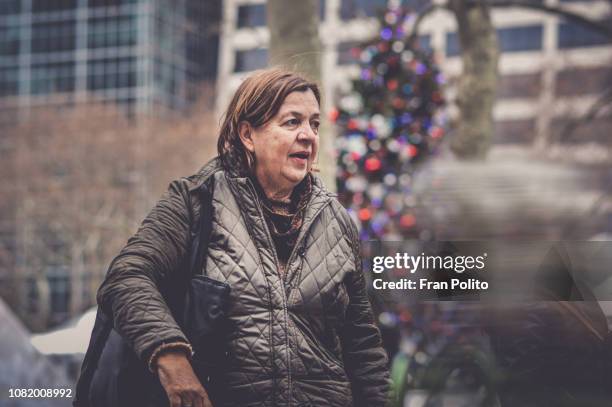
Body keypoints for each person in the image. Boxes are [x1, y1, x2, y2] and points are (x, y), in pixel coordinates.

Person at [96, 68, 390, 407]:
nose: (308, 135)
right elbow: (126, 277)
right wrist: (170, 354)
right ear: (248, 135)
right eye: (292, 122)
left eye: (314, 124)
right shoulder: (195, 200)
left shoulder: (337, 220)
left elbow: (362, 345)